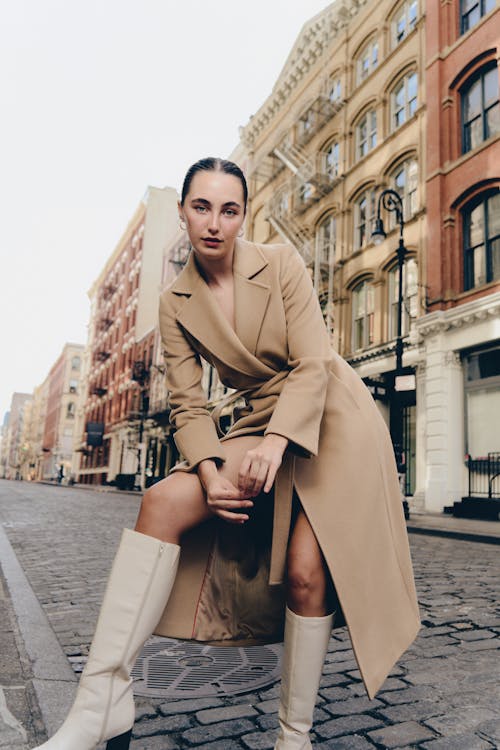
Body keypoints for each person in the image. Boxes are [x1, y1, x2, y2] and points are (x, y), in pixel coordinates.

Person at [34, 158, 420, 750]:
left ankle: (295, 738)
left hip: (331, 412)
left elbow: (314, 364)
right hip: (259, 412)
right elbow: (188, 407)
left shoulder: (282, 263)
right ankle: (101, 702)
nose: (215, 223)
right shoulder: (175, 300)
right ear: (186, 212)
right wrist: (211, 470)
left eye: (230, 209)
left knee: (304, 572)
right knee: (164, 500)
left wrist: (275, 441)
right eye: (202, 207)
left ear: (244, 215)